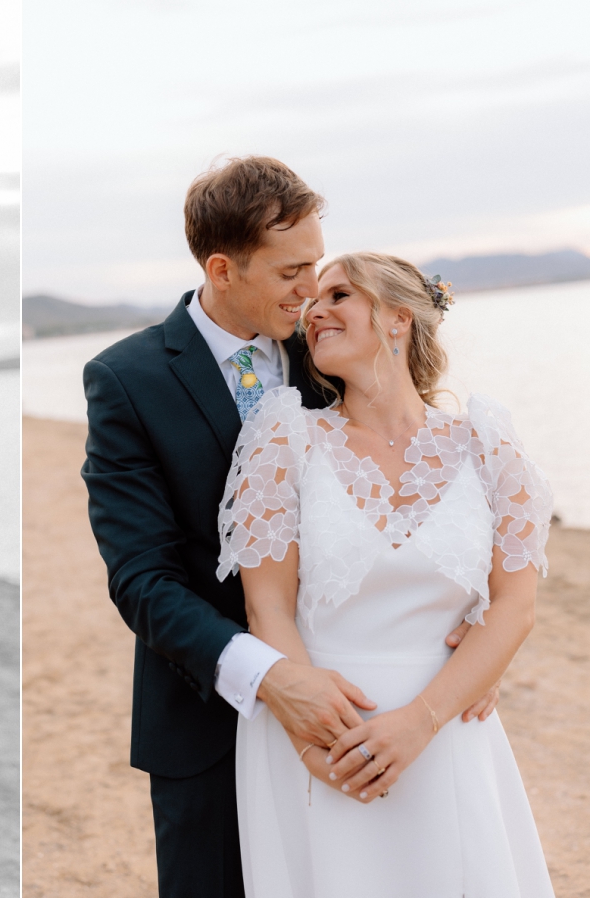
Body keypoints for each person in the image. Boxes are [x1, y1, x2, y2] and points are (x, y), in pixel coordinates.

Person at [80, 157, 498, 897]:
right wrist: (272, 677)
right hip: (210, 715)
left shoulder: (333, 348)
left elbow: (421, 474)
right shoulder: (126, 380)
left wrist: (471, 626)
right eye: (292, 272)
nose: (313, 292)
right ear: (223, 268)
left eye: (318, 266)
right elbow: (142, 579)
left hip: (372, 708)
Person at [220, 253, 554, 896]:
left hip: (448, 727)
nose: (314, 309)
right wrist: (312, 735)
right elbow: (268, 609)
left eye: (339, 293)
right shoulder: (283, 439)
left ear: (399, 318)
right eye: (311, 299)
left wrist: (423, 719)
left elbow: (516, 606)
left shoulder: (488, 445)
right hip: (320, 739)